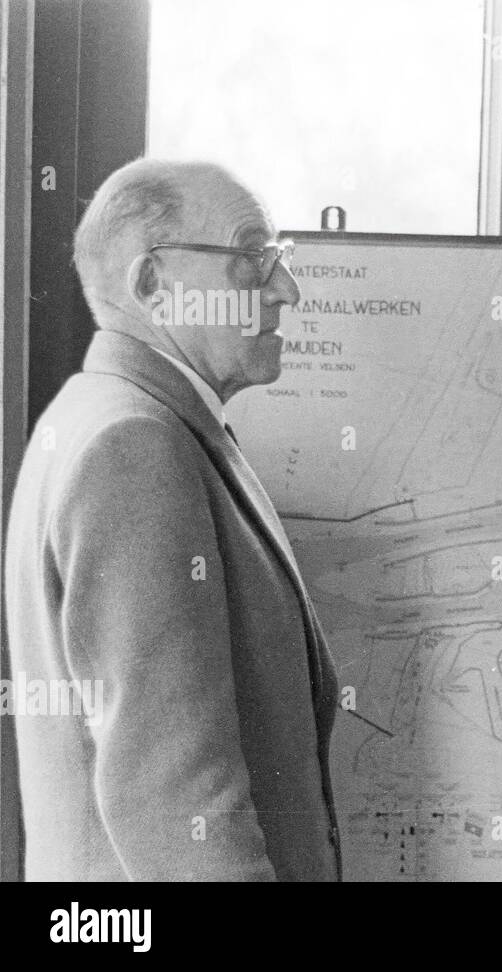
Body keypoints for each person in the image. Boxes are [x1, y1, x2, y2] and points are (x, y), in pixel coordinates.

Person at [4, 158, 341, 880]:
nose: (286, 289)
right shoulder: (137, 445)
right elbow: (180, 804)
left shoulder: (108, 417)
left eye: (277, 260)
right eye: (252, 259)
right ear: (153, 287)